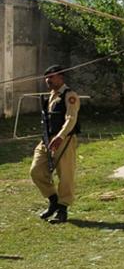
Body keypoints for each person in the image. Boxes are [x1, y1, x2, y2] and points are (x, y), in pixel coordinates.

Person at [30, 64, 80, 224]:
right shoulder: (51, 95)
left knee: (65, 174)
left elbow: (71, 119)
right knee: (36, 171)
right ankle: (53, 200)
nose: (48, 80)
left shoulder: (69, 95)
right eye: (46, 77)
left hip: (64, 139)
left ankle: (63, 209)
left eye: (51, 77)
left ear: (60, 77)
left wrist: (60, 136)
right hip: (47, 139)